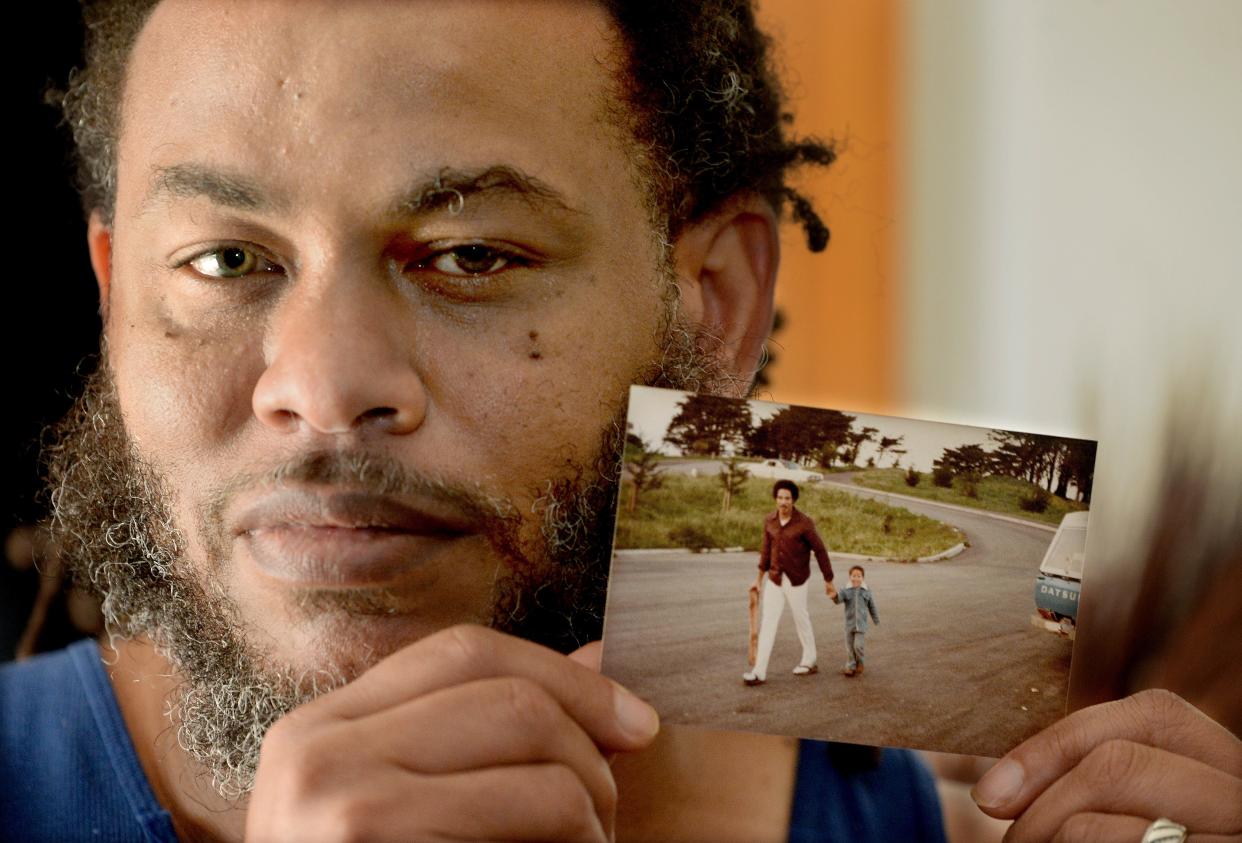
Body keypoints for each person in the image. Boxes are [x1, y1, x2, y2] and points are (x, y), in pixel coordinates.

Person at [1, 2, 1238, 842]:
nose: (321, 387)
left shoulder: (961, 811)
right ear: (114, 294)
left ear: (715, 302)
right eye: (222, 263)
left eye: (471, 255)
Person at [744, 480, 836, 686]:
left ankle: (810, 659)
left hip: (797, 580)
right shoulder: (769, 521)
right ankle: (759, 671)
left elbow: (820, 550)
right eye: (780, 497)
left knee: (800, 618)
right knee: (768, 622)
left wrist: (828, 580)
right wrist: (758, 579)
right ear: (775, 499)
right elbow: (766, 552)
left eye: (787, 498)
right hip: (775, 579)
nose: (783, 502)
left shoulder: (804, 523)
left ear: (793, 500)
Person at [832, 564, 879, 677]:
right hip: (849, 625)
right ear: (850, 577)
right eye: (854, 575)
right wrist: (833, 595)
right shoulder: (846, 590)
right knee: (849, 647)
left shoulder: (866, 591)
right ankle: (850, 666)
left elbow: (872, 606)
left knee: (858, 646)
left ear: (862, 578)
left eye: (859, 576)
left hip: (861, 625)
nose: (856, 578)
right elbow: (838, 600)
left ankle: (860, 662)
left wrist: (875, 619)